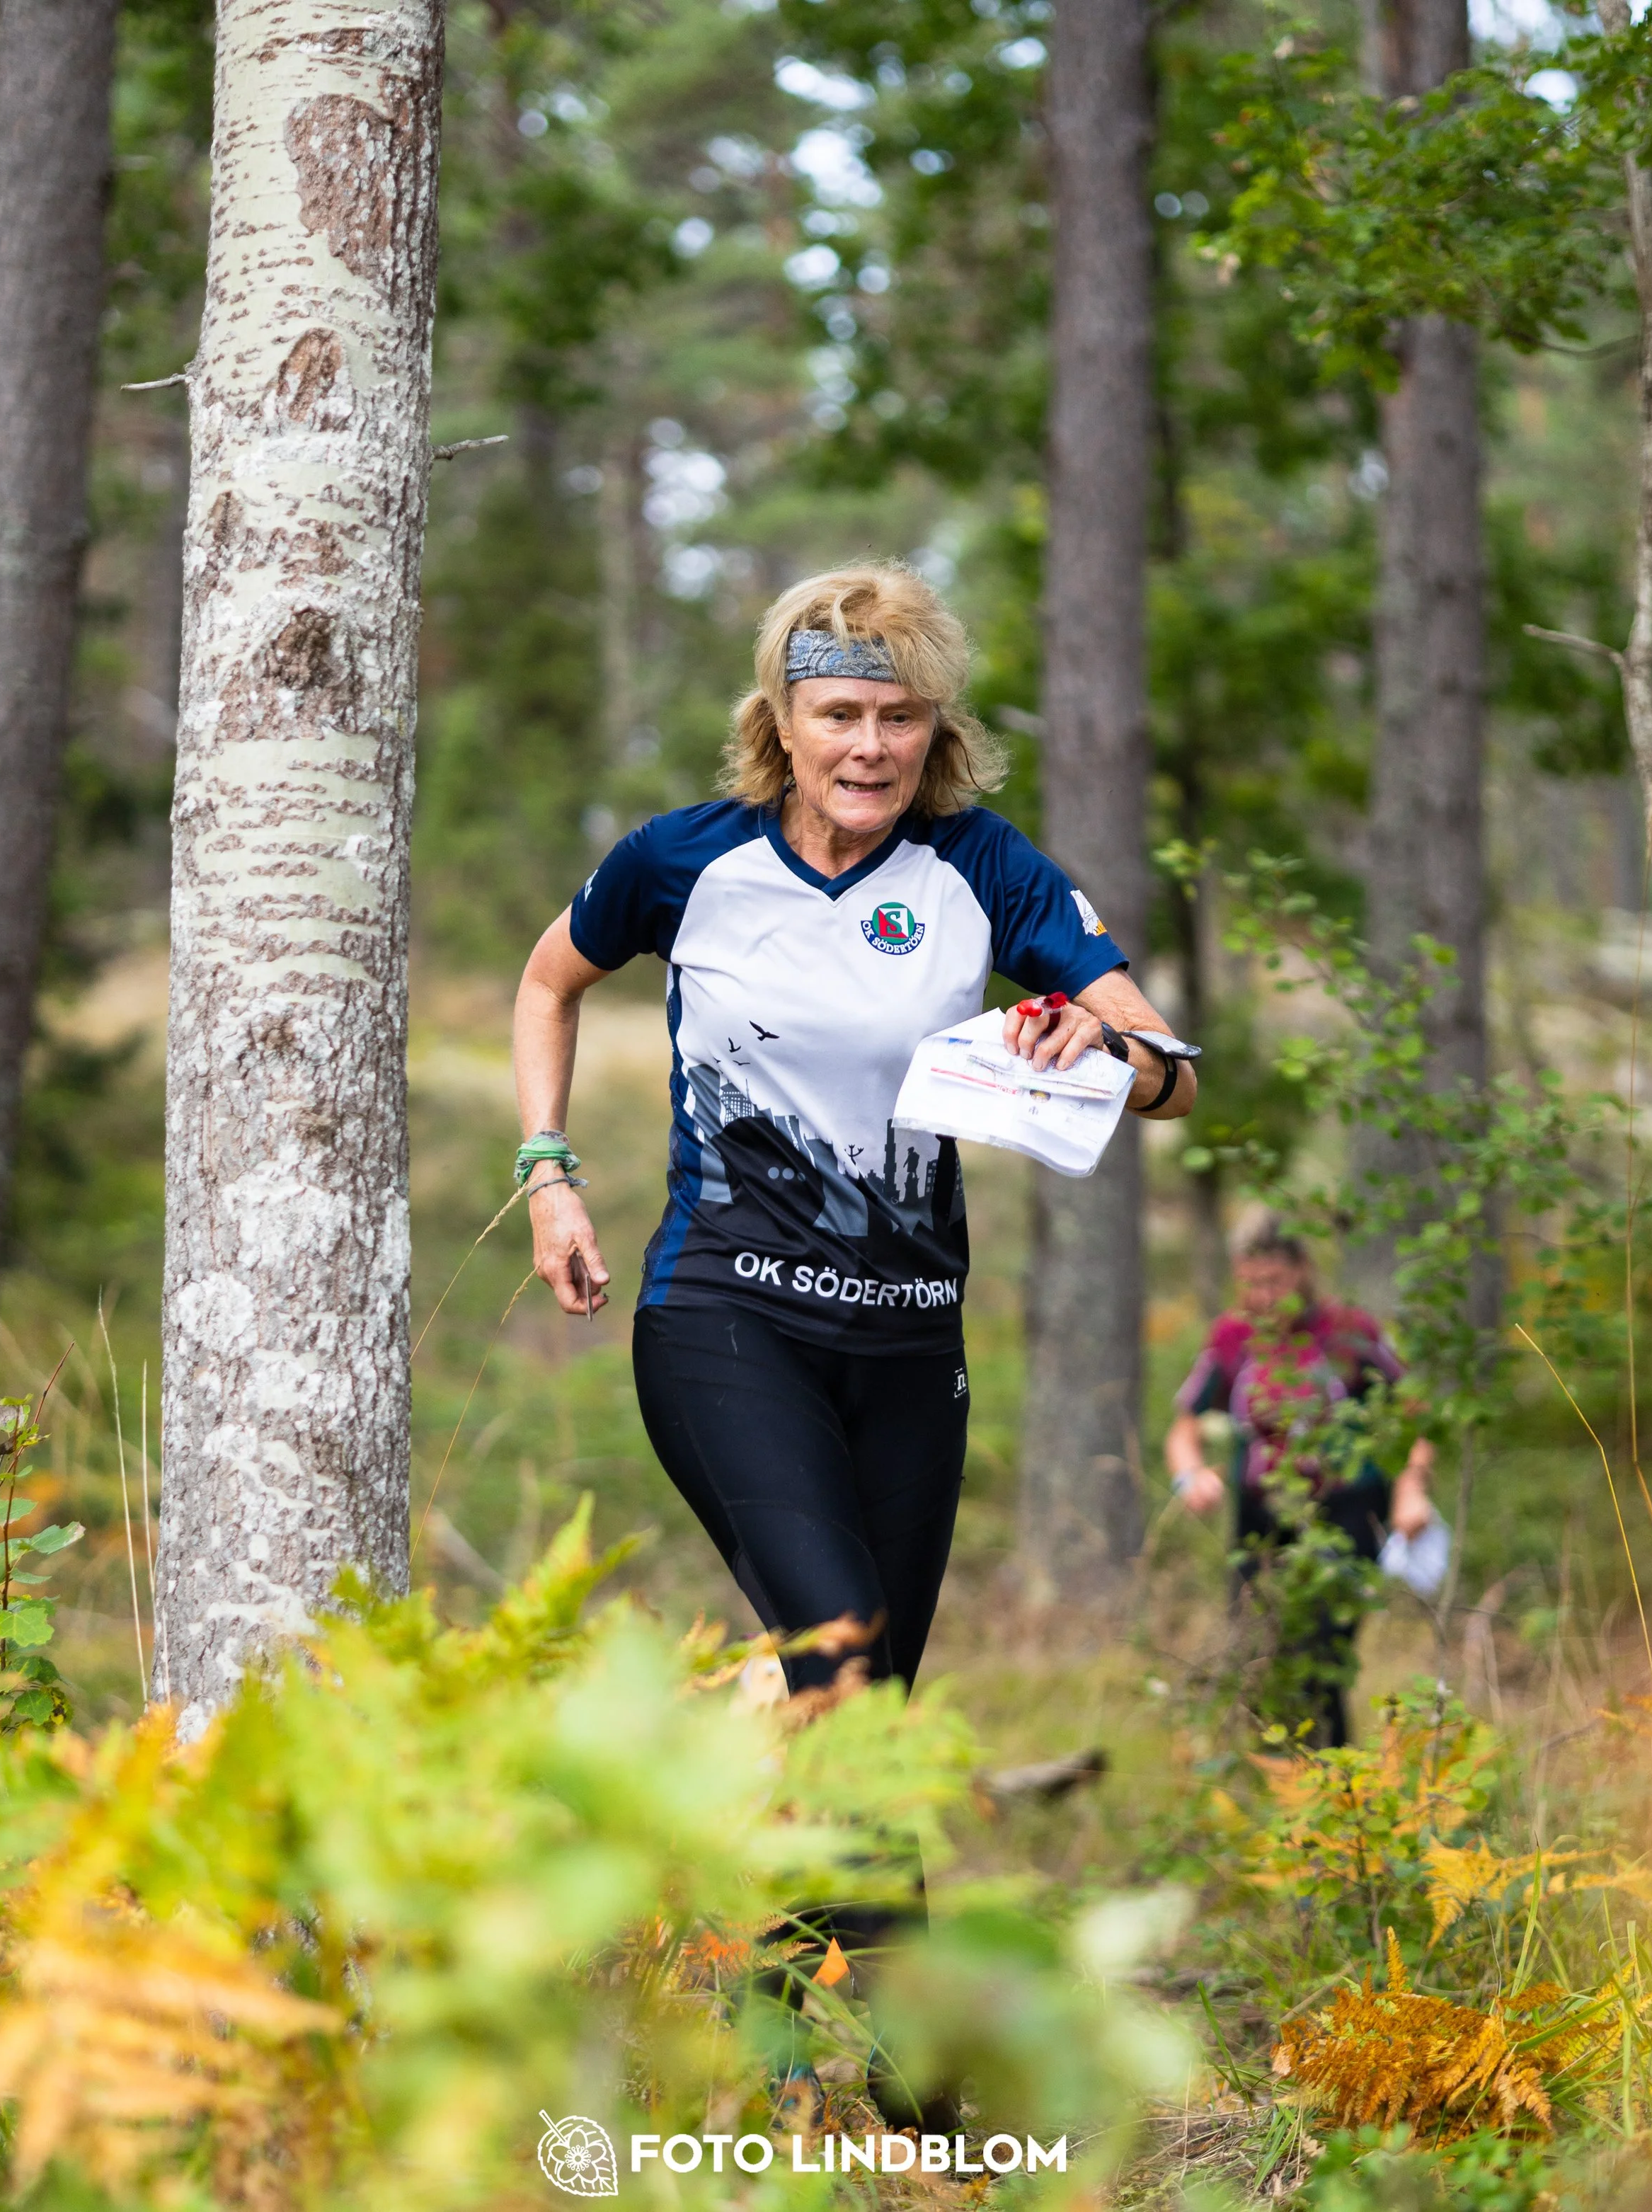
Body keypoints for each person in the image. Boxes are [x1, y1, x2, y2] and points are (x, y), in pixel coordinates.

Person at [512, 563, 1198, 1698]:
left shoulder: (980, 865)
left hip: (914, 1345)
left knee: (864, 1729)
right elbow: (548, 985)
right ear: (782, 724)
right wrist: (549, 1171)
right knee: (843, 1670)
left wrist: (1105, 1043)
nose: (869, 748)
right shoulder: (685, 861)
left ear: (938, 729)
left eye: (901, 717)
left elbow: (1172, 1076)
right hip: (727, 1316)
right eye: (839, 715)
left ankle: (723, 1830)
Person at [1165, 1211, 1435, 1744]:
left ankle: (1334, 1791)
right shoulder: (1232, 1336)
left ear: (1304, 1272)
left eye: (1274, 1282)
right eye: (1250, 1283)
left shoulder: (1349, 1332)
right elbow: (1184, 1428)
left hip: (1345, 1513)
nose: (1262, 1296)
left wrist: (1412, 1487)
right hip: (1261, 1517)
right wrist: (1190, 1476)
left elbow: (1418, 1417)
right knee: (1253, 1653)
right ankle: (1273, 1786)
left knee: (1318, 1656)